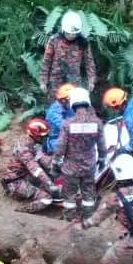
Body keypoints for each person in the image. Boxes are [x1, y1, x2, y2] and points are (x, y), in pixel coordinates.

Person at [53, 87, 105, 222]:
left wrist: (56, 162)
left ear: (73, 103)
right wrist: (102, 159)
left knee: (69, 196)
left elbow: (60, 147)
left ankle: (69, 219)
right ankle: (88, 219)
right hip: (89, 167)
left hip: (71, 168)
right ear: (87, 102)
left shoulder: (68, 124)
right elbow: (102, 146)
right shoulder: (97, 123)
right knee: (88, 194)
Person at [1, 118, 62, 212]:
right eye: (43, 136)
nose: (45, 138)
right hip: (15, 182)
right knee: (46, 199)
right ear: (35, 135)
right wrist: (50, 184)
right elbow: (35, 169)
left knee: (53, 178)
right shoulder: (23, 149)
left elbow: (43, 159)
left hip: (27, 176)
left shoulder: (34, 144)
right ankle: (21, 212)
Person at [39, 11, 97, 98]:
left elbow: (89, 62)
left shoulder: (83, 42)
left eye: (74, 33)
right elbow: (47, 61)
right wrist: (43, 81)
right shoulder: (54, 40)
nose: (71, 35)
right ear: (63, 30)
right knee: (55, 106)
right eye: (68, 33)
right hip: (56, 81)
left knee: (73, 105)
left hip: (74, 81)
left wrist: (91, 80)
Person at [44, 83, 76, 154]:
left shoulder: (70, 108)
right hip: (57, 142)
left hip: (70, 138)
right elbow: (67, 128)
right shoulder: (53, 113)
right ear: (63, 100)